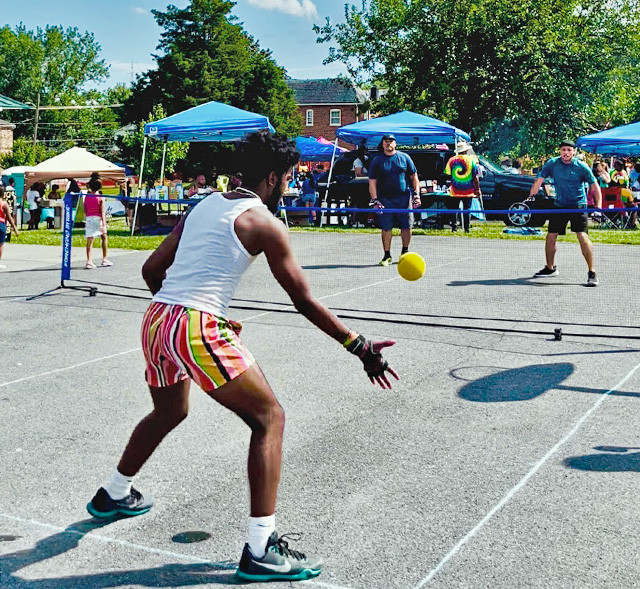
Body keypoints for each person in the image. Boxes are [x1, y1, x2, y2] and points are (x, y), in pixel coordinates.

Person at [85, 131, 398, 582]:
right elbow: (304, 300)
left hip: (157, 318)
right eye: (287, 178)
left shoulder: (204, 205)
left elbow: (152, 270)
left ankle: (113, 494)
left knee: (169, 410)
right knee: (269, 418)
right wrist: (359, 346)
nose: (289, 186)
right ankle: (261, 549)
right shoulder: (263, 222)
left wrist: (181, 316)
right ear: (273, 177)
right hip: (190, 323)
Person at [528, 140, 602, 286]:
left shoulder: (581, 166)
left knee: (582, 236)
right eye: (563, 150)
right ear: (560, 151)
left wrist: (598, 207)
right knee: (550, 237)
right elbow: (539, 180)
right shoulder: (552, 163)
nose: (566, 152)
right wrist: (531, 196)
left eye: (569, 150)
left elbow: (595, 187)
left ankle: (592, 272)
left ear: (574, 152)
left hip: (578, 206)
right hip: (560, 205)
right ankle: (550, 268)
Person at [368, 133, 421, 266]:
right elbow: (372, 182)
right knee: (386, 228)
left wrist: (416, 194)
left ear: (395, 144)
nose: (388, 144)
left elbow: (414, 177)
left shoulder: (404, 158)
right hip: (385, 200)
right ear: (383, 144)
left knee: (406, 226)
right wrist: (375, 199)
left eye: (391, 141)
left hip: (404, 199)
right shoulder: (377, 160)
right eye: (386, 141)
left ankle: (405, 252)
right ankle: (387, 255)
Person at [444, 142, 481, 233]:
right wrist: (477, 189)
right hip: (468, 190)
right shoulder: (471, 160)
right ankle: (466, 229)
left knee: (454, 209)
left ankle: (454, 228)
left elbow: (447, 175)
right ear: (466, 150)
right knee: (467, 209)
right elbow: (475, 177)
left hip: (455, 189)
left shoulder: (451, 160)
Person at [83, 178, 113, 269]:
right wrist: (104, 223)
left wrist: (87, 216)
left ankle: (89, 261)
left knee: (90, 240)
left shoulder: (87, 196)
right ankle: (105, 259)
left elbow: (85, 208)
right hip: (97, 218)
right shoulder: (100, 197)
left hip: (89, 218)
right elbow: (102, 211)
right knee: (104, 237)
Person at [0, 186, 20, 269]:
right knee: (0, 244)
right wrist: (15, 228)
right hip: (1, 224)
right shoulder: (4, 204)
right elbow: (9, 217)